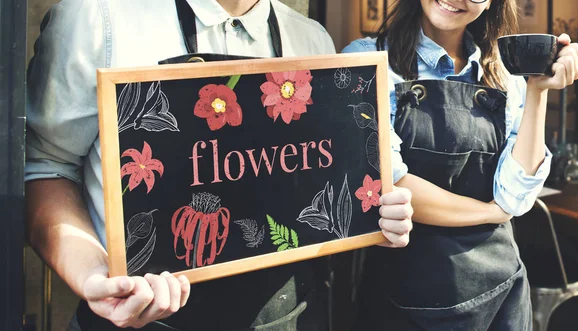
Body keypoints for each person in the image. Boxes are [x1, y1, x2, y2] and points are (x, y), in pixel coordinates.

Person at [25, 0, 413, 330]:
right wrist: (92, 274)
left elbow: (328, 183)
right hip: (147, 316)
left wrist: (378, 213)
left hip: (288, 314)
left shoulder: (312, 38)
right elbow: (46, 167)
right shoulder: (100, 18)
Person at [343, 0, 578, 330]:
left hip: (500, 294)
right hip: (405, 295)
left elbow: (514, 196)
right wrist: (489, 213)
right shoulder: (366, 59)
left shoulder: (506, 73)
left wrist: (538, 90)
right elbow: (388, 179)